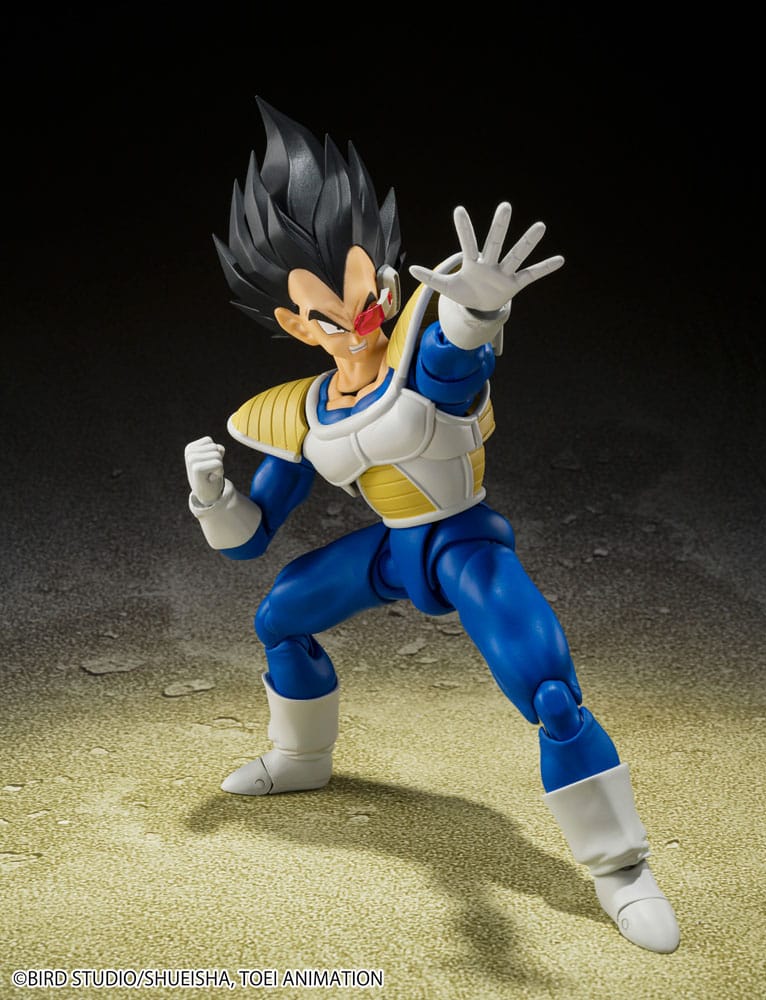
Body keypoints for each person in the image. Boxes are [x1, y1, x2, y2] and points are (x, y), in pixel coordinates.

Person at [184, 99, 680, 953]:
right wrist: (211, 498)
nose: (360, 314)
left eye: (366, 289)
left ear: (386, 278)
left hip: (462, 543)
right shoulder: (300, 409)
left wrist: (476, 313)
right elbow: (252, 536)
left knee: (549, 692)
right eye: (328, 309)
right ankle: (300, 759)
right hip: (391, 550)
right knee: (280, 617)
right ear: (294, 325)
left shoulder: (419, 345)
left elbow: (452, 363)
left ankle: (620, 867)